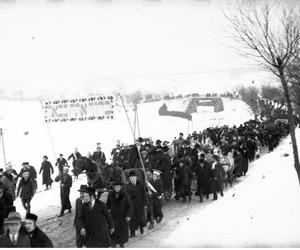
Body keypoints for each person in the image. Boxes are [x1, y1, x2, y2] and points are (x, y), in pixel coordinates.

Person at [106, 182, 132, 248]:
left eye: (118, 187)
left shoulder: (125, 195)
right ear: (114, 188)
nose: (117, 189)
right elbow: (107, 205)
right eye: (116, 187)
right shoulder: (110, 195)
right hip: (113, 216)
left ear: (120, 188)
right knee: (113, 229)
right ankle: (113, 243)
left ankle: (121, 243)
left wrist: (128, 215)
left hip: (122, 216)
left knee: (122, 231)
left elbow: (129, 206)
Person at [125, 171, 147, 237]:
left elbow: (144, 195)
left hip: (139, 205)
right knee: (132, 220)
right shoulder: (128, 186)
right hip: (131, 206)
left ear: (136, 178)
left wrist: (145, 204)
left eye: (133, 178)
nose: (132, 179)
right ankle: (132, 232)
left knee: (140, 218)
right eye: (131, 178)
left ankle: (141, 228)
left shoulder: (141, 185)